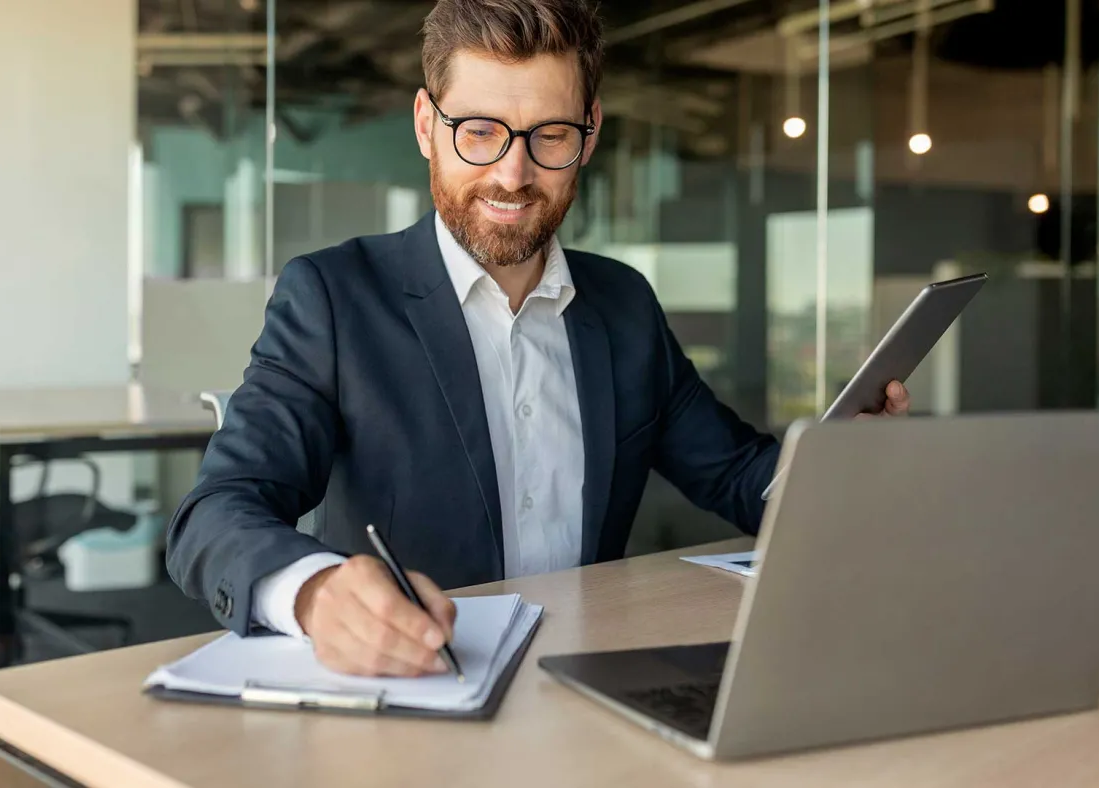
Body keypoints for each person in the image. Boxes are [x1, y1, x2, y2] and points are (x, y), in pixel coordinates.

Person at [166, 0, 910, 679]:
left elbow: (740, 478)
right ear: (427, 125)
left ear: (588, 136)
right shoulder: (334, 298)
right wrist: (314, 593)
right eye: (480, 131)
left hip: (589, 684)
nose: (512, 174)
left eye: (549, 135)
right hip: (422, 691)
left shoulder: (622, 304)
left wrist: (840, 461)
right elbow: (216, 512)